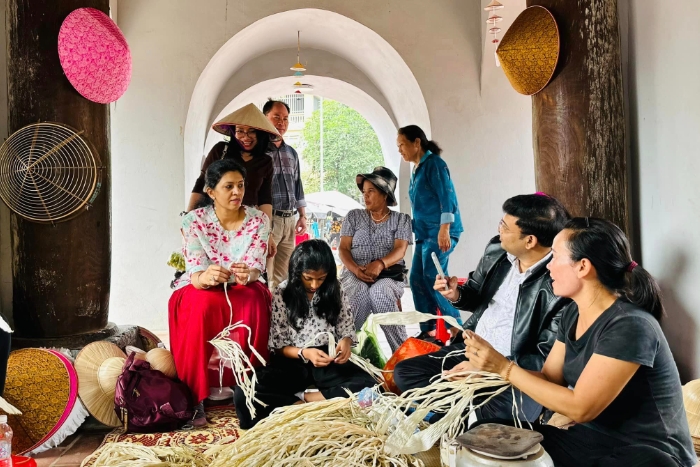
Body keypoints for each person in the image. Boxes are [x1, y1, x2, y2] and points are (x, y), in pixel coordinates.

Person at [464, 217, 697, 467]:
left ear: (583, 267)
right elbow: (550, 380)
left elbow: (581, 408)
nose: (549, 267)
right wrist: (486, 372)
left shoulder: (631, 325)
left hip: (646, 452)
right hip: (590, 441)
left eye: (554, 257)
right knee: (486, 433)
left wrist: (504, 368)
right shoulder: (572, 314)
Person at [393, 193, 571, 423]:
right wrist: (455, 294)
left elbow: (544, 357)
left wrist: (489, 369)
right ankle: (464, 411)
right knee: (405, 372)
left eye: (505, 228)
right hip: (471, 349)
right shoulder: (497, 250)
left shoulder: (558, 281)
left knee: (506, 413)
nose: (499, 232)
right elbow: (476, 294)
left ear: (530, 241)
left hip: (512, 368)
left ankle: (456, 412)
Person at [169, 159, 272, 427]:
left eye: (240, 185)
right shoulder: (194, 221)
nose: (237, 192)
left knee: (254, 300)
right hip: (201, 286)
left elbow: (256, 267)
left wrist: (247, 274)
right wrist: (206, 277)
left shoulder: (258, 220)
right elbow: (194, 270)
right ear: (211, 191)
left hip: (242, 286)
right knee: (201, 304)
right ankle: (194, 396)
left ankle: (250, 389)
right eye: (228, 186)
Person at [234, 240, 376, 428]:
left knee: (372, 386)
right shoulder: (283, 293)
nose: (315, 284)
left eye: (321, 278)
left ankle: (303, 402)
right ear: (296, 273)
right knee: (244, 392)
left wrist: (346, 342)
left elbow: (345, 327)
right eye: (308, 278)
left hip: (328, 358)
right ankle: (314, 406)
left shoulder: (336, 289)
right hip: (294, 360)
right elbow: (278, 345)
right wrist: (305, 353)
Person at [397, 125, 464, 341]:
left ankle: (456, 329)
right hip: (425, 235)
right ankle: (429, 329)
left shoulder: (435, 164)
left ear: (417, 143)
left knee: (433, 277)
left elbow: (447, 198)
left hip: (440, 232)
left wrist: (445, 229)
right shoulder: (416, 168)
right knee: (416, 277)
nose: (400, 150)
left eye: (402, 145)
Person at [338, 166, 412, 353]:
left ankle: (401, 353)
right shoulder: (354, 216)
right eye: (364, 192)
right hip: (355, 273)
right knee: (359, 293)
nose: (366, 196)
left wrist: (380, 264)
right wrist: (356, 269)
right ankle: (344, 349)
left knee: (380, 293)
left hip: (388, 275)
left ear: (385, 194)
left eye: (371, 191)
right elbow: (344, 248)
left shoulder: (401, 219)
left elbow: (400, 249)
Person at [188, 103, 278, 232]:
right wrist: (189, 216)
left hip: (249, 225)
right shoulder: (220, 150)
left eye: (252, 131)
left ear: (261, 134)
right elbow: (202, 182)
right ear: (233, 132)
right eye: (240, 131)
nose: (246, 137)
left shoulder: (266, 161)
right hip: (215, 221)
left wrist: (266, 231)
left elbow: (265, 198)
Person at [263, 99, 307, 288]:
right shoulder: (259, 152)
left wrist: (303, 215)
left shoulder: (292, 153)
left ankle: (278, 316)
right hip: (269, 219)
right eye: (276, 117)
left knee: (283, 279)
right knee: (265, 273)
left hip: (290, 220)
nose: (282, 123)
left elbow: (298, 184)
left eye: (286, 119)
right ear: (265, 118)